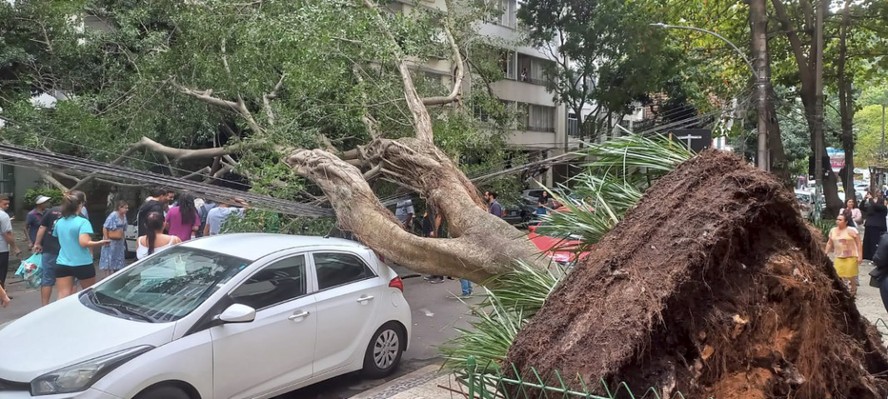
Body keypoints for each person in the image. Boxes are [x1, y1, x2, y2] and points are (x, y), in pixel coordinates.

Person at [53, 191, 109, 299]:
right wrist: (100, 242)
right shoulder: (83, 222)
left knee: (63, 295)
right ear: (79, 205)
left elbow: (57, 237)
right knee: (89, 295)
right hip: (82, 262)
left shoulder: (59, 222)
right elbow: (84, 243)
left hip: (63, 262)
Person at [826, 210, 863, 297]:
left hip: (851, 256)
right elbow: (829, 243)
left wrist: (860, 256)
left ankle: (853, 287)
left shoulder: (852, 230)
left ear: (846, 222)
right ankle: (843, 289)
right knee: (839, 274)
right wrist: (826, 253)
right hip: (839, 255)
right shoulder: (833, 230)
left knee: (850, 274)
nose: (838, 221)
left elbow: (858, 243)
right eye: (837, 219)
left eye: (840, 220)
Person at [32, 204, 62, 305]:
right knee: (68, 279)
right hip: (67, 251)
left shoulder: (52, 211)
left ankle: (45, 306)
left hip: (49, 249)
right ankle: (62, 305)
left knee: (47, 278)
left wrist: (37, 243)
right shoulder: (76, 213)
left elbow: (42, 227)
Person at [98, 200, 129, 278]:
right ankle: (107, 276)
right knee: (109, 256)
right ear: (119, 207)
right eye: (125, 208)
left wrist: (124, 240)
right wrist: (106, 239)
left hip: (119, 241)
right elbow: (105, 227)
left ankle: (116, 274)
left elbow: (124, 229)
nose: (127, 210)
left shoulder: (124, 216)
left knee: (119, 257)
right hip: (111, 240)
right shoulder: (113, 215)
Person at [0, 195, 20, 292]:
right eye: (5, 204)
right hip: (1, 248)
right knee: (2, 272)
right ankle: (2, 293)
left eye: (8, 204)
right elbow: (7, 233)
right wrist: (14, 247)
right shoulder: (3, 216)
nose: (7, 206)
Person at [861, 191, 887, 261]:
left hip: (877, 227)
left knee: (874, 242)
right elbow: (862, 207)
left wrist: (871, 199)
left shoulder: (883, 208)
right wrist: (864, 200)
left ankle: (875, 257)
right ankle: (867, 256)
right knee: (867, 241)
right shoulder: (872, 208)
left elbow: (875, 206)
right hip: (869, 225)